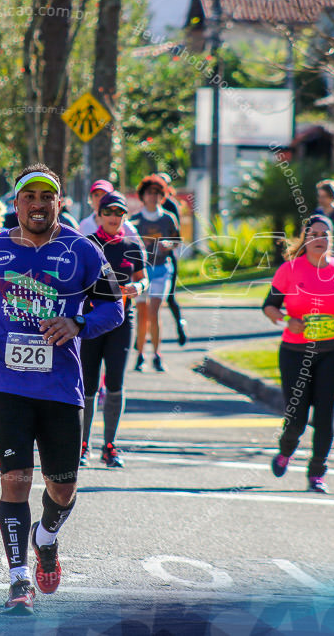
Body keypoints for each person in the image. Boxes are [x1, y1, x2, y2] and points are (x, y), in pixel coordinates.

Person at [0, 164, 123, 609]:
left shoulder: (83, 249)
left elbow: (114, 309)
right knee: (14, 480)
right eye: (29, 197)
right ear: (16, 204)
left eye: (46, 197)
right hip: (5, 380)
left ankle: (46, 537)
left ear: (59, 203)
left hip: (60, 385)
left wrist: (78, 322)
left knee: (63, 488)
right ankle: (17, 579)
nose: (37, 204)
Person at [261, 214, 334, 494]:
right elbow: (270, 306)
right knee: (296, 417)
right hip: (295, 352)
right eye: (313, 234)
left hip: (332, 351)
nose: (319, 239)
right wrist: (287, 320)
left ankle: (317, 473)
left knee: (325, 416)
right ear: (305, 239)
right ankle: (286, 450)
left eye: (325, 235)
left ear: (333, 242)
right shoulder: (289, 270)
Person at [79, 191, 147, 468]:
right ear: (99, 214)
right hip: (92, 321)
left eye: (119, 213)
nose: (113, 217)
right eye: (108, 212)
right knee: (88, 384)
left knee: (116, 383)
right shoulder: (88, 244)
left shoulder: (131, 246)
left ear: (124, 217)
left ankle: (110, 445)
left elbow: (143, 279)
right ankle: (83, 445)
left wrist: (137, 287)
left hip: (121, 322)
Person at [130, 175, 181, 372]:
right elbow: (130, 245)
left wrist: (169, 245)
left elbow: (177, 241)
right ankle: (140, 355)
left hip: (161, 270)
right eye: (149, 192)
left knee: (154, 311)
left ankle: (157, 355)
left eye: (157, 193)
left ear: (162, 196)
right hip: (141, 272)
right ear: (143, 196)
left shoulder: (168, 218)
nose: (153, 196)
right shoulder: (135, 220)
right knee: (142, 314)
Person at [155, 172, 188, 346]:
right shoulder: (148, 204)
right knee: (147, 302)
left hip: (167, 260)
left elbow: (178, 238)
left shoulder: (171, 206)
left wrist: (167, 244)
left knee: (170, 297)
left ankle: (180, 327)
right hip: (150, 260)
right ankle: (143, 342)